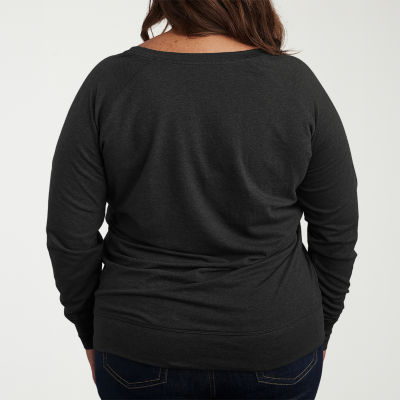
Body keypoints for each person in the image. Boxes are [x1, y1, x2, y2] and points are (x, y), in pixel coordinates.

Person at [45, 0, 359, 398]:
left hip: (139, 344)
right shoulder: (296, 84)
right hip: (275, 343)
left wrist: (92, 331)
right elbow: (337, 230)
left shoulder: (111, 82)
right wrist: (319, 326)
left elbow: (69, 234)